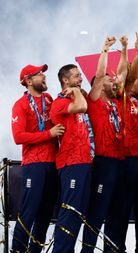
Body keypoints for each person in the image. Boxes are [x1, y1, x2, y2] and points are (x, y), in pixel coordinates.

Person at [80, 35, 127, 253]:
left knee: (117, 212)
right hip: (103, 162)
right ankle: (87, 250)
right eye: (110, 80)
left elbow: (124, 75)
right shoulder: (95, 101)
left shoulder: (118, 103)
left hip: (120, 162)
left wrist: (126, 50)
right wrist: (105, 50)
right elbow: (100, 76)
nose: (113, 81)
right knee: (97, 211)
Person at [11, 64, 64, 253]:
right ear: (28, 80)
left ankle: (35, 250)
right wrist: (48, 134)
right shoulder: (21, 104)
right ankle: (17, 250)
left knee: (46, 214)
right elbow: (19, 137)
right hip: (34, 164)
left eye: (43, 73)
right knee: (29, 212)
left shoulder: (49, 99)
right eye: (39, 74)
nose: (43, 76)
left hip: (53, 163)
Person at [50, 64, 93, 253]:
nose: (81, 78)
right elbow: (82, 107)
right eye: (76, 76)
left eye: (80, 75)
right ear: (65, 80)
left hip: (84, 162)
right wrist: (76, 91)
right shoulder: (59, 103)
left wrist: (76, 91)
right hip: (71, 163)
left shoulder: (75, 96)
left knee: (78, 214)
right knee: (70, 212)